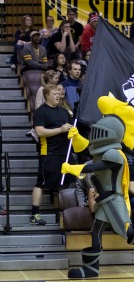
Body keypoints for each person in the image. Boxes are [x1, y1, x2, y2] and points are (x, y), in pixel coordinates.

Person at [61, 96, 134, 278]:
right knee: (96, 231)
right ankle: (91, 268)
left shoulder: (114, 154)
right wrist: (77, 137)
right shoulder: (103, 151)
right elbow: (86, 148)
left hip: (114, 200)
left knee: (126, 232)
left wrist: (73, 168)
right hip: (104, 200)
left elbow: (95, 167)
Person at [30, 84, 76, 225]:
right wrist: (61, 130)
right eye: (55, 93)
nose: (58, 95)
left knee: (70, 181)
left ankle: (67, 212)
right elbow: (40, 132)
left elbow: (68, 130)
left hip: (65, 153)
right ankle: (34, 214)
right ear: (47, 96)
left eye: (59, 93)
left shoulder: (64, 112)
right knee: (41, 183)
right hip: (49, 153)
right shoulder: (40, 112)